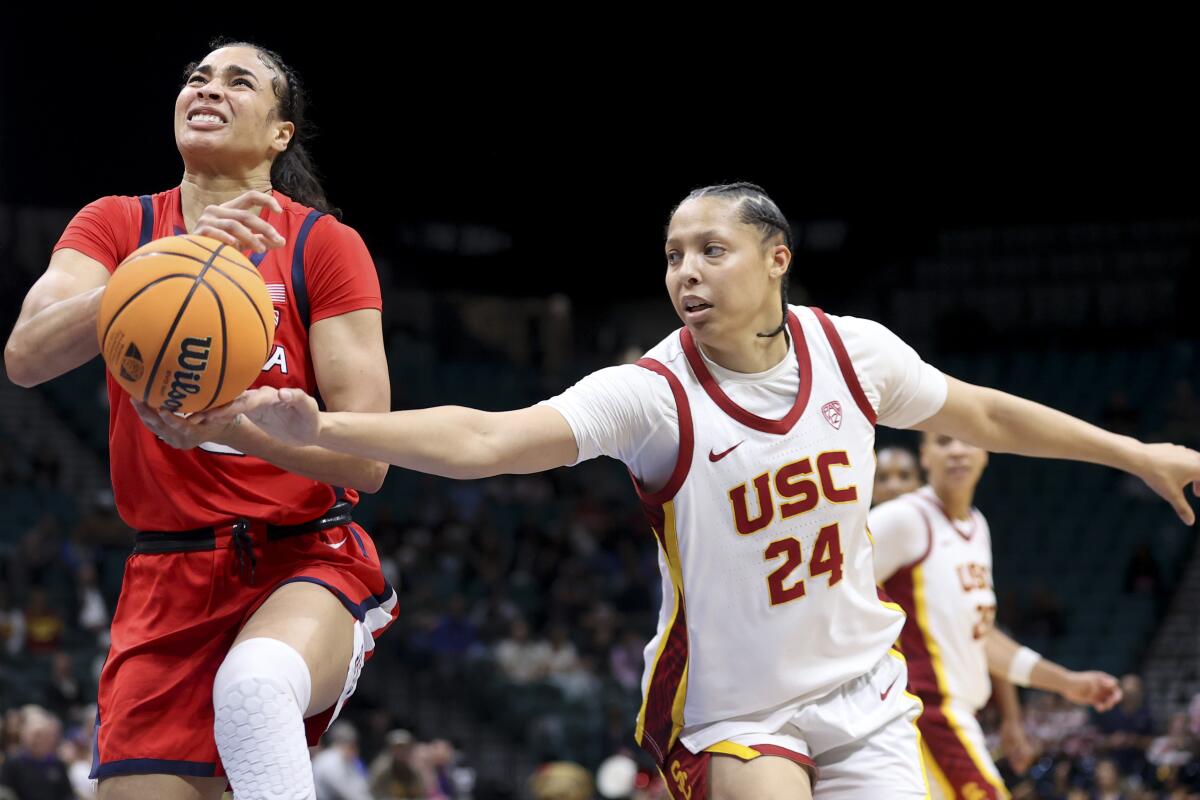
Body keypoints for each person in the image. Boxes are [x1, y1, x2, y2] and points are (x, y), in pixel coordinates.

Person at [206, 182, 1200, 799]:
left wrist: (1137, 451)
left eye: (711, 249)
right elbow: (489, 437)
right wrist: (322, 429)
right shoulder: (654, 393)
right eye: (675, 252)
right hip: (733, 707)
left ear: (777, 259)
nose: (686, 268)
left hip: (865, 690)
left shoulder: (853, 351)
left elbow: (984, 412)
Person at [3, 39, 396, 800]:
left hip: (303, 560)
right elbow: (25, 356)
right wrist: (164, 264)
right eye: (196, 77)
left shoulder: (324, 246)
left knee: (254, 686)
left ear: (281, 133)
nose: (207, 89)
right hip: (167, 573)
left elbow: (368, 460)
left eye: (238, 81)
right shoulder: (118, 225)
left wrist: (245, 429)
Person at [870, 433, 1122, 798]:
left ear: (986, 450)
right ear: (925, 455)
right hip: (925, 710)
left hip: (955, 713)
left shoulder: (976, 526)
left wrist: (1065, 681)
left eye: (966, 439)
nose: (957, 450)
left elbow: (983, 636)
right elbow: (824, 596)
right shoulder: (903, 519)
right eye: (943, 441)